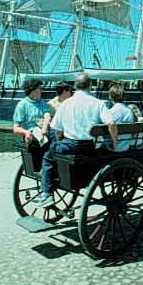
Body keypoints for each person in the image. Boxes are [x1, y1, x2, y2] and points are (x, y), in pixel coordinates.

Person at [38, 73, 118, 208]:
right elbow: (111, 124)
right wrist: (114, 143)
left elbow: (57, 131)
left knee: (47, 158)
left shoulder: (65, 104)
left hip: (69, 146)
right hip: (90, 149)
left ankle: (46, 194)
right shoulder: (98, 103)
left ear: (75, 86)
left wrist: (59, 141)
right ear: (90, 86)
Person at [13, 79, 50, 146]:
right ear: (33, 89)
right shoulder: (22, 105)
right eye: (40, 88)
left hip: (45, 130)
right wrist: (26, 132)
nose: (42, 90)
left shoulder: (43, 103)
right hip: (32, 133)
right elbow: (16, 128)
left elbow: (47, 115)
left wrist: (44, 127)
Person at [103, 85, 134, 152]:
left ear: (110, 97)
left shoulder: (111, 112)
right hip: (125, 146)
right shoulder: (129, 111)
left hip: (112, 146)